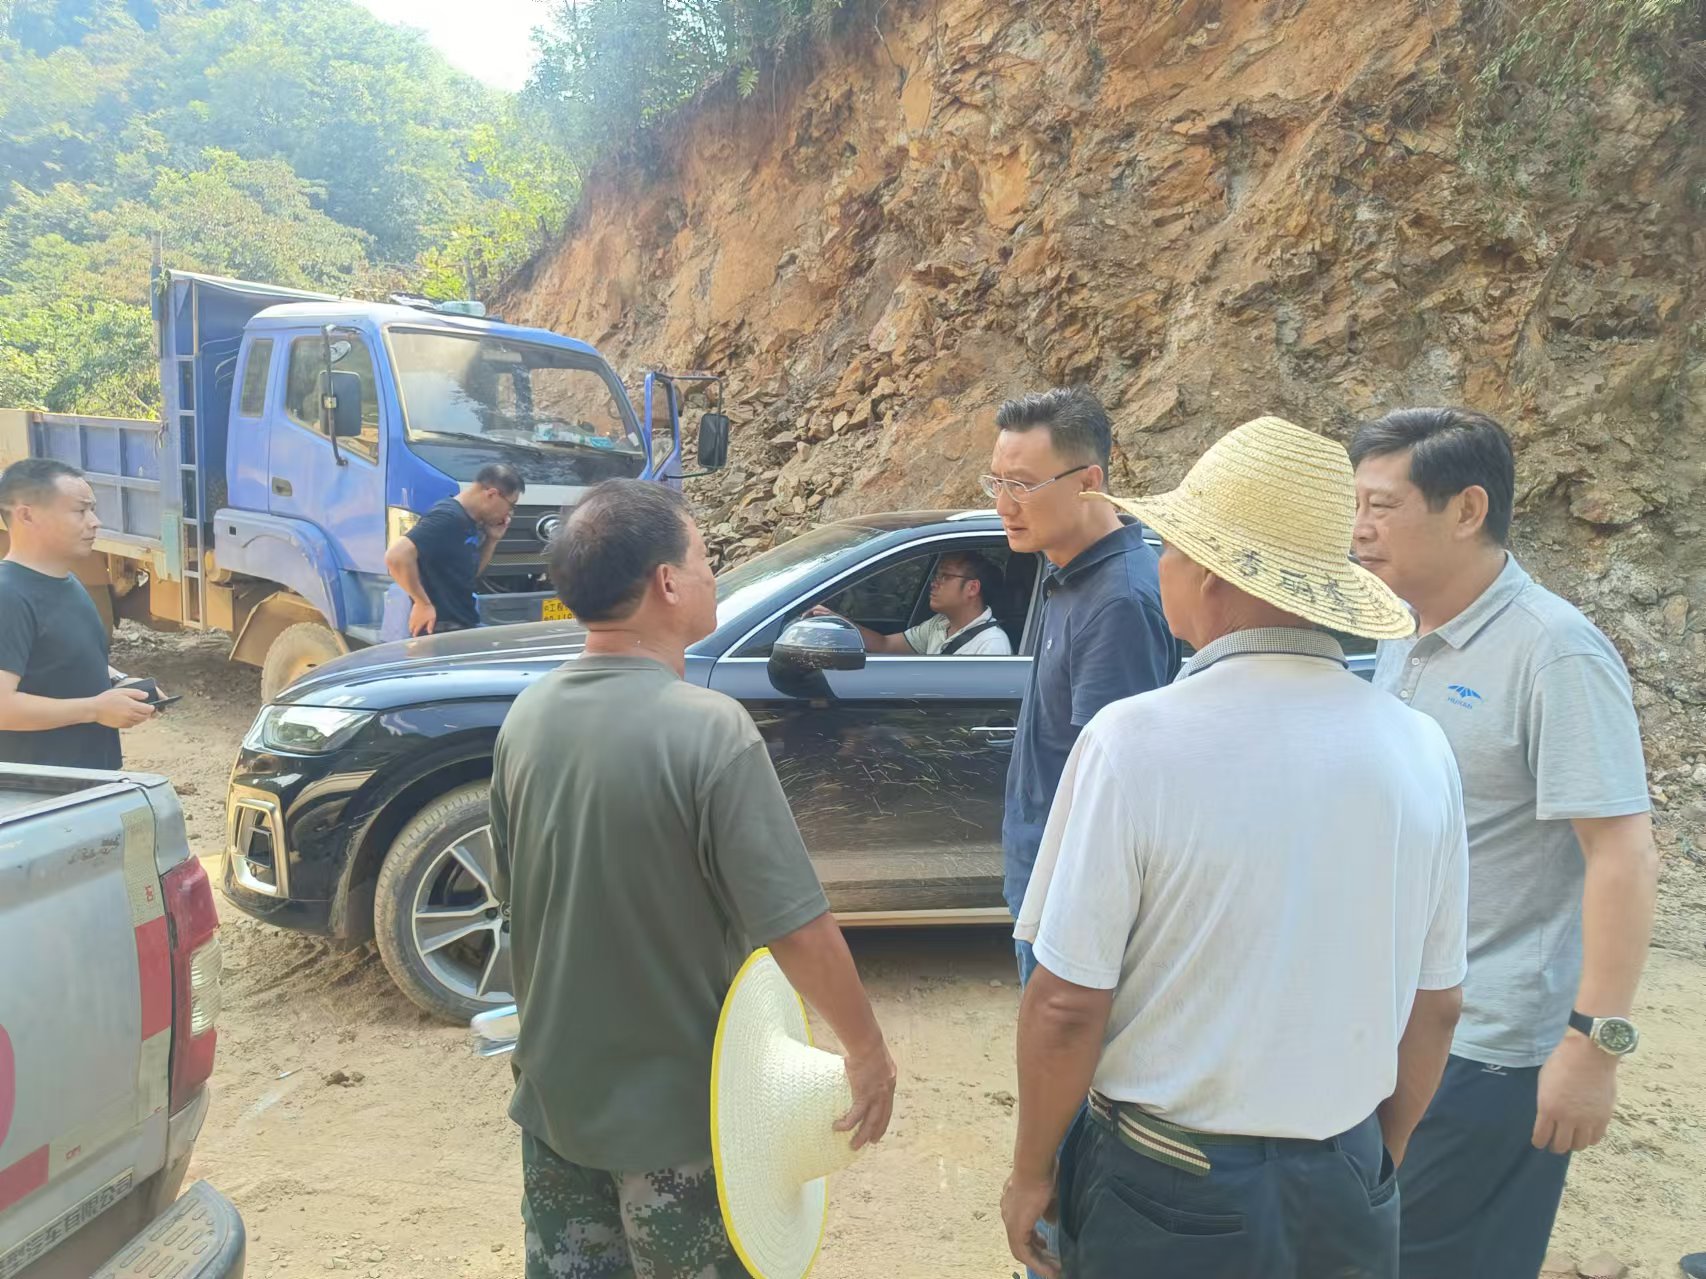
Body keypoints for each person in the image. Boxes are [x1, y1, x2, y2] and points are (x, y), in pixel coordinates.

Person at [1001, 416, 1469, 1279]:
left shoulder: (1136, 740)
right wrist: (1369, 1160)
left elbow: (1066, 1003)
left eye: (1172, 549)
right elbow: (1436, 1005)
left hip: (1169, 1185)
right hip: (1345, 1179)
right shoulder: (1419, 746)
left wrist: (1031, 1170)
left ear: (1213, 578)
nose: (1160, 567)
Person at [489, 479, 898, 1279]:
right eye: (706, 557)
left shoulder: (526, 718)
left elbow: (520, 901)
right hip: (683, 1125)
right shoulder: (710, 730)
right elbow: (798, 928)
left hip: (554, 1110)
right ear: (667, 583)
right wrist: (867, 1050)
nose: (714, 573)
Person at [1350, 408, 1659, 1279]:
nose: (1360, 528)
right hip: (1396, 1023)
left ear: (1468, 508)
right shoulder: (1398, 634)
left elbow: (1623, 853)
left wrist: (1594, 1046)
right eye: (1356, 505)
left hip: (1492, 1048)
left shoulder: (1555, 653)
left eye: (1382, 504)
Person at [986, 386, 1174, 985]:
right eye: (995, 483)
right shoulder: (1063, 564)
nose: (1003, 504)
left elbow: (1117, 793)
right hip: (1041, 872)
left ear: (1089, 481)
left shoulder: (1118, 601)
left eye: (1021, 485)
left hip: (1069, 897)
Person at [0, 459, 155, 768]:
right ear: (27, 515)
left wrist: (120, 682)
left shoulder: (67, 581)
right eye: (80, 511)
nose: (94, 522)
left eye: (92, 510)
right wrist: (94, 709)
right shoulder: (8, 596)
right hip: (40, 797)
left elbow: (65, 657)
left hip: (89, 782)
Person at [385, 462, 524, 636]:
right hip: (439, 629)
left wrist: (492, 540)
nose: (509, 514)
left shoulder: (469, 521)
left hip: (462, 623)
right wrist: (422, 603)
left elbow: (470, 574)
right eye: (511, 506)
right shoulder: (448, 517)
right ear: (492, 495)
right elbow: (396, 556)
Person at [811, 550, 1013, 655]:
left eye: (945, 576)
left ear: (972, 588)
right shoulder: (939, 624)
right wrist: (838, 622)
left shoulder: (991, 645)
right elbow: (885, 645)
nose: (934, 583)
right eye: (936, 575)